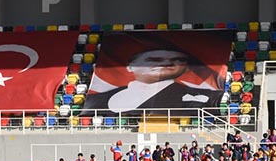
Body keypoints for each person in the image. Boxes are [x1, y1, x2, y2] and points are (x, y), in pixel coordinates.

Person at [83, 49, 224, 115]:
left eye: (178, 60)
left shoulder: (207, 97)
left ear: (186, 68)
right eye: (155, 60)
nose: (167, 64)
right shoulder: (96, 99)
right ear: (130, 66)